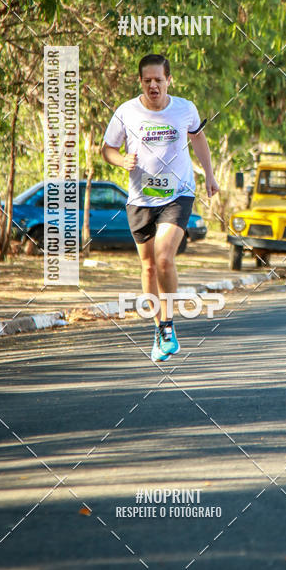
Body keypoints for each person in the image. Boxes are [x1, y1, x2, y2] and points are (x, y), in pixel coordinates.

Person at [101, 53, 219, 362]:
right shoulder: (126, 112)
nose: (153, 86)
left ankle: (168, 326)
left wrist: (209, 174)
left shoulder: (185, 109)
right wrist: (120, 160)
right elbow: (107, 149)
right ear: (140, 81)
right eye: (147, 80)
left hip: (178, 194)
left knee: (164, 258)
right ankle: (159, 328)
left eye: (159, 80)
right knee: (148, 266)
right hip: (140, 199)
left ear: (169, 80)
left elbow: (198, 139)